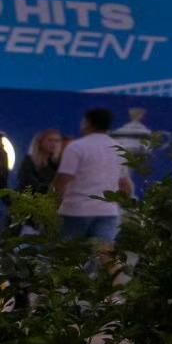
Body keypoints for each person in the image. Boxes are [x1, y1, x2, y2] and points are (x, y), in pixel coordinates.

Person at [53, 108, 133, 252]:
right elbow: (125, 185)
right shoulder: (119, 148)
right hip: (108, 212)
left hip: (75, 210)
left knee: (68, 254)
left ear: (87, 123)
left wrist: (54, 204)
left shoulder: (76, 147)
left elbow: (63, 179)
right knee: (105, 255)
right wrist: (120, 206)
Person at [16, 128, 65, 195]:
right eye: (50, 140)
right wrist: (48, 189)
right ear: (40, 142)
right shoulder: (29, 160)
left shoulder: (57, 163)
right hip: (29, 198)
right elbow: (28, 180)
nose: (53, 144)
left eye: (57, 141)